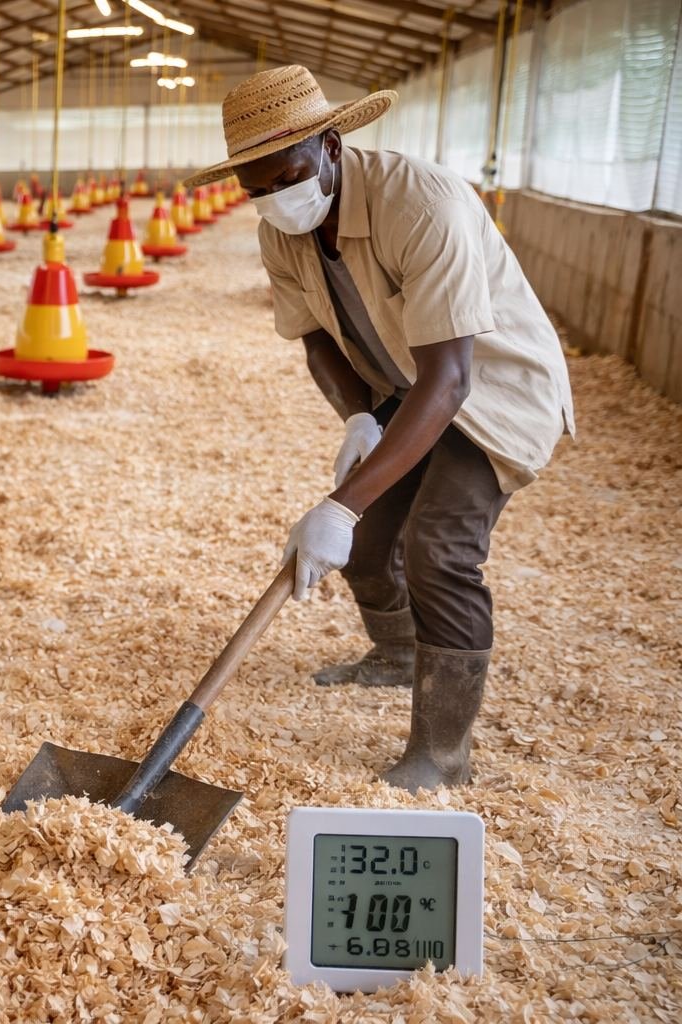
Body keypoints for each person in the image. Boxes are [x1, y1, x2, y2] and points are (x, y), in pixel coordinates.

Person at [184, 66, 574, 791]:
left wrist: (339, 503)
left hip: (492, 392)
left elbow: (451, 379)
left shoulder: (422, 204)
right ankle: (396, 655)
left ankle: (442, 754)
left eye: (288, 175)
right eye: (256, 188)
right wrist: (359, 417)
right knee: (363, 548)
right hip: (405, 386)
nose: (275, 198)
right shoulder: (285, 230)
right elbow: (315, 338)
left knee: (439, 550)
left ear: (331, 145)